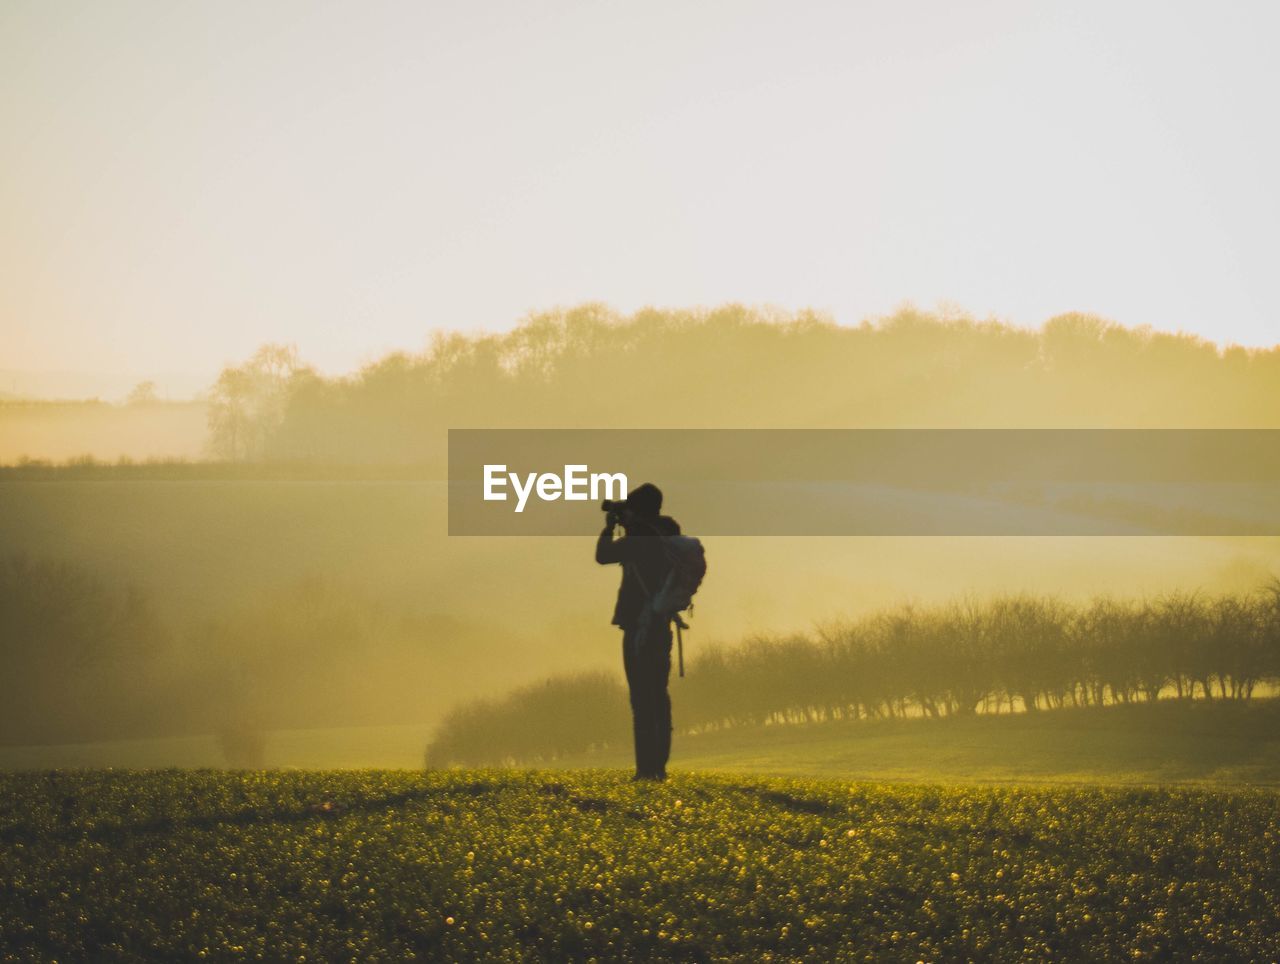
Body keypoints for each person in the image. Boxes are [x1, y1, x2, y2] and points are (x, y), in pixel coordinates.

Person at [595, 482, 679, 781]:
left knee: (641, 700)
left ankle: (647, 769)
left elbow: (603, 555)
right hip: (662, 625)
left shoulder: (639, 538)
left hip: (638, 627)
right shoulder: (669, 531)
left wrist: (610, 528)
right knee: (659, 695)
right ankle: (660, 765)